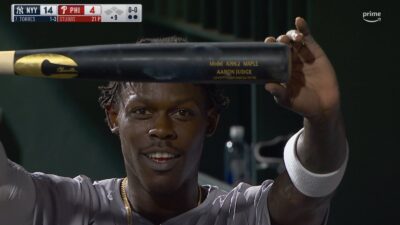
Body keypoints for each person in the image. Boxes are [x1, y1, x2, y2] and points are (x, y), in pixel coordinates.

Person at [0, 17, 348, 225]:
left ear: (210, 121)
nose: (162, 130)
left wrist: (322, 118)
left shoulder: (240, 214)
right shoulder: (64, 208)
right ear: (113, 117)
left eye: (182, 112)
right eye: (141, 111)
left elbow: (308, 193)